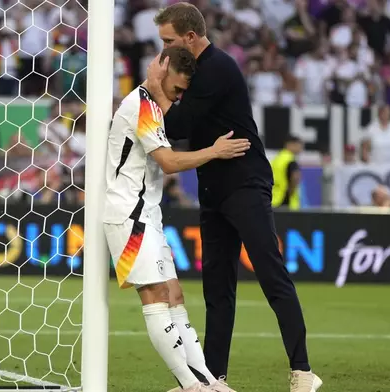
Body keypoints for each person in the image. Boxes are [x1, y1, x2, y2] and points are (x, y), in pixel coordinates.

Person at [145, 3, 322, 392]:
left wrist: (156, 87)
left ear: (190, 38)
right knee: (217, 290)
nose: (163, 52)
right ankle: (213, 379)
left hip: (244, 183)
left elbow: (177, 125)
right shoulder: (197, 71)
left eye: (169, 41)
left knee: (271, 274)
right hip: (214, 188)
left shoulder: (217, 68)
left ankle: (303, 371)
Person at [103, 46, 249, 392]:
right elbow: (168, 163)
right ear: (161, 70)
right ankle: (190, 385)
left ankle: (208, 380)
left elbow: (162, 134)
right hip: (128, 214)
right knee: (155, 294)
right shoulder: (141, 106)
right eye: (177, 90)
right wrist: (214, 152)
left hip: (147, 213)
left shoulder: (152, 104)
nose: (179, 97)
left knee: (174, 294)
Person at [271, 136, 304, 210]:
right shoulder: (290, 159)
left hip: (274, 199)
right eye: (299, 146)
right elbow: (295, 177)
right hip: (286, 201)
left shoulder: (277, 159)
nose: (300, 149)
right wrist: (290, 193)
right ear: (290, 145)